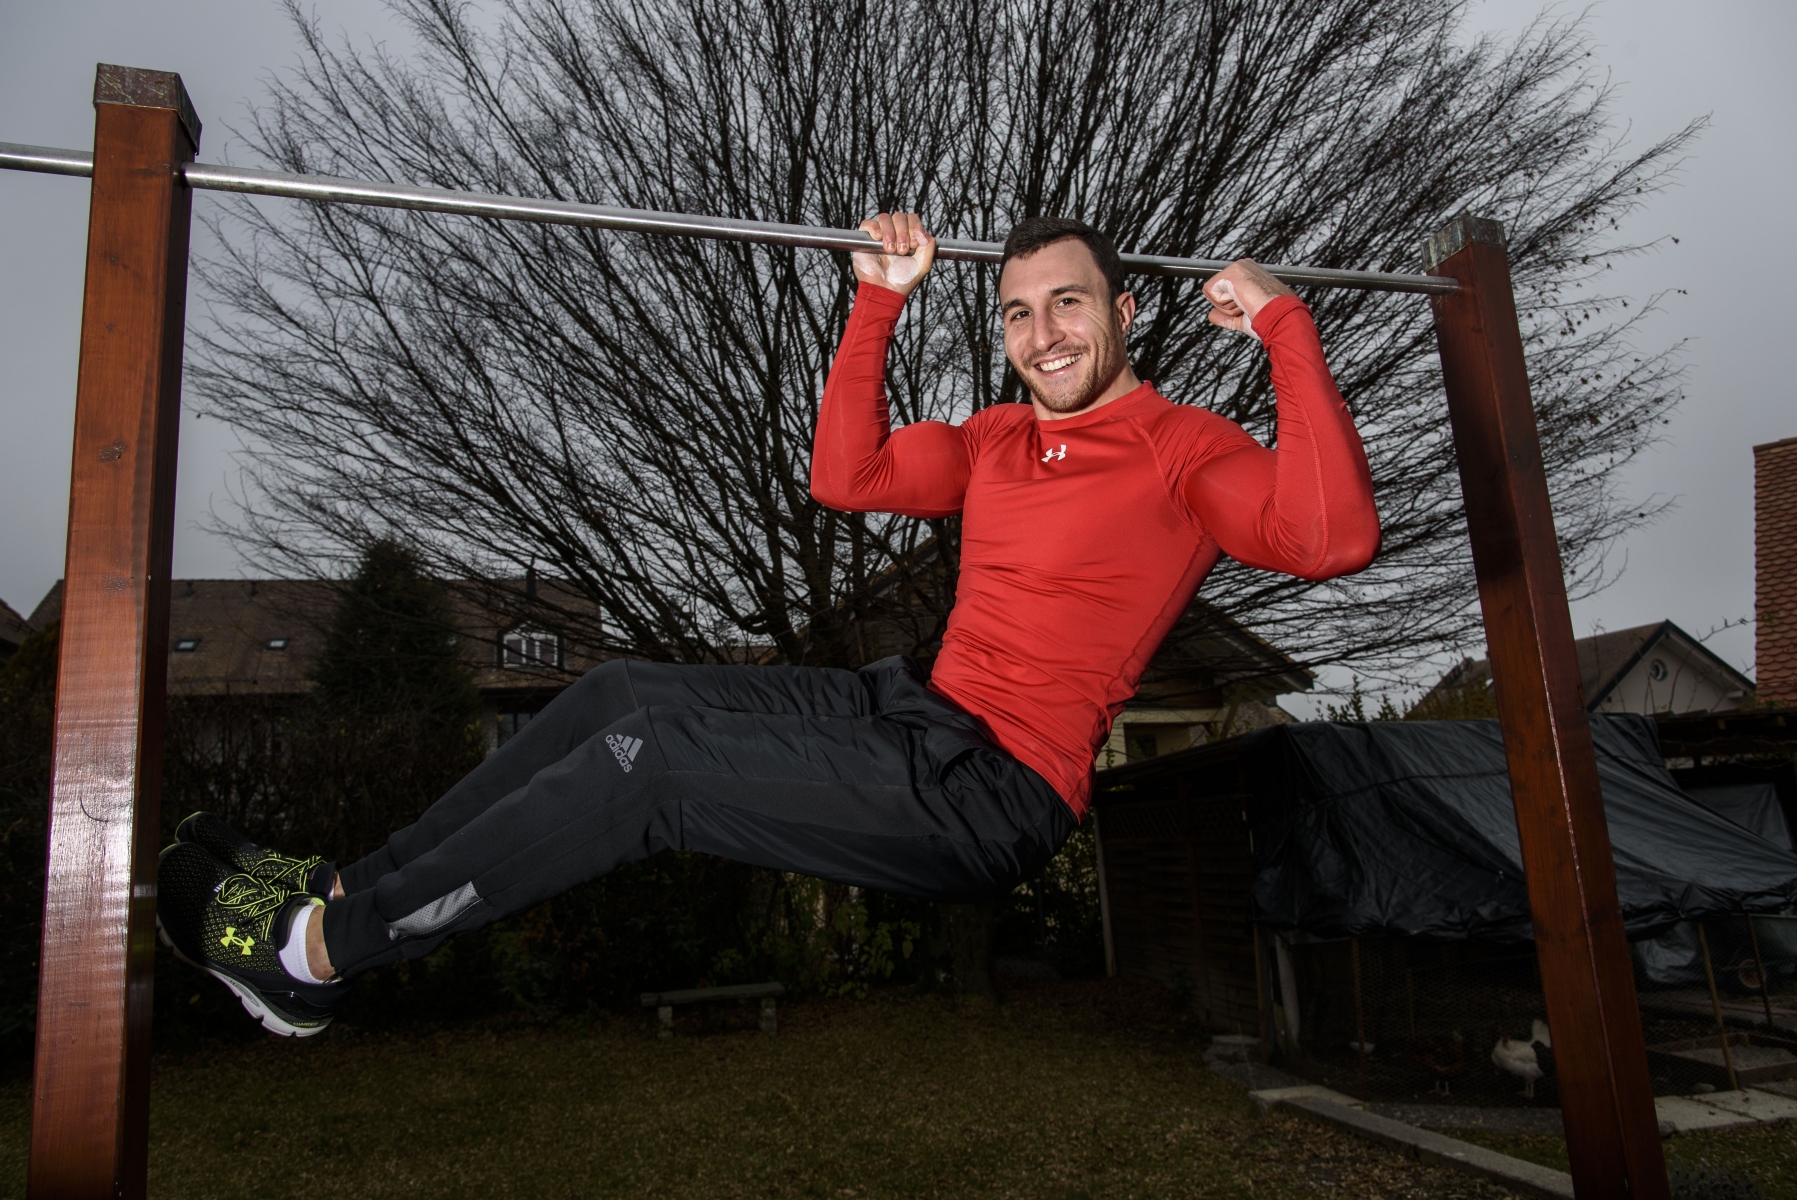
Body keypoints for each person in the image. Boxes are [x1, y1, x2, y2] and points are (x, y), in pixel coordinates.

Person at [156, 213, 1380, 1036]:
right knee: (621, 694)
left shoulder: (1185, 453)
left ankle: (320, 957)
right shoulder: (1000, 439)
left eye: (1067, 305)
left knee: (658, 772)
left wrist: (1284, 327)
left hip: (993, 789)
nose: (1042, 335)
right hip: (911, 710)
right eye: (1015, 315)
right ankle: (352, 882)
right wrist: (877, 305)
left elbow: (1329, 540)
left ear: (1122, 312)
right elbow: (845, 477)